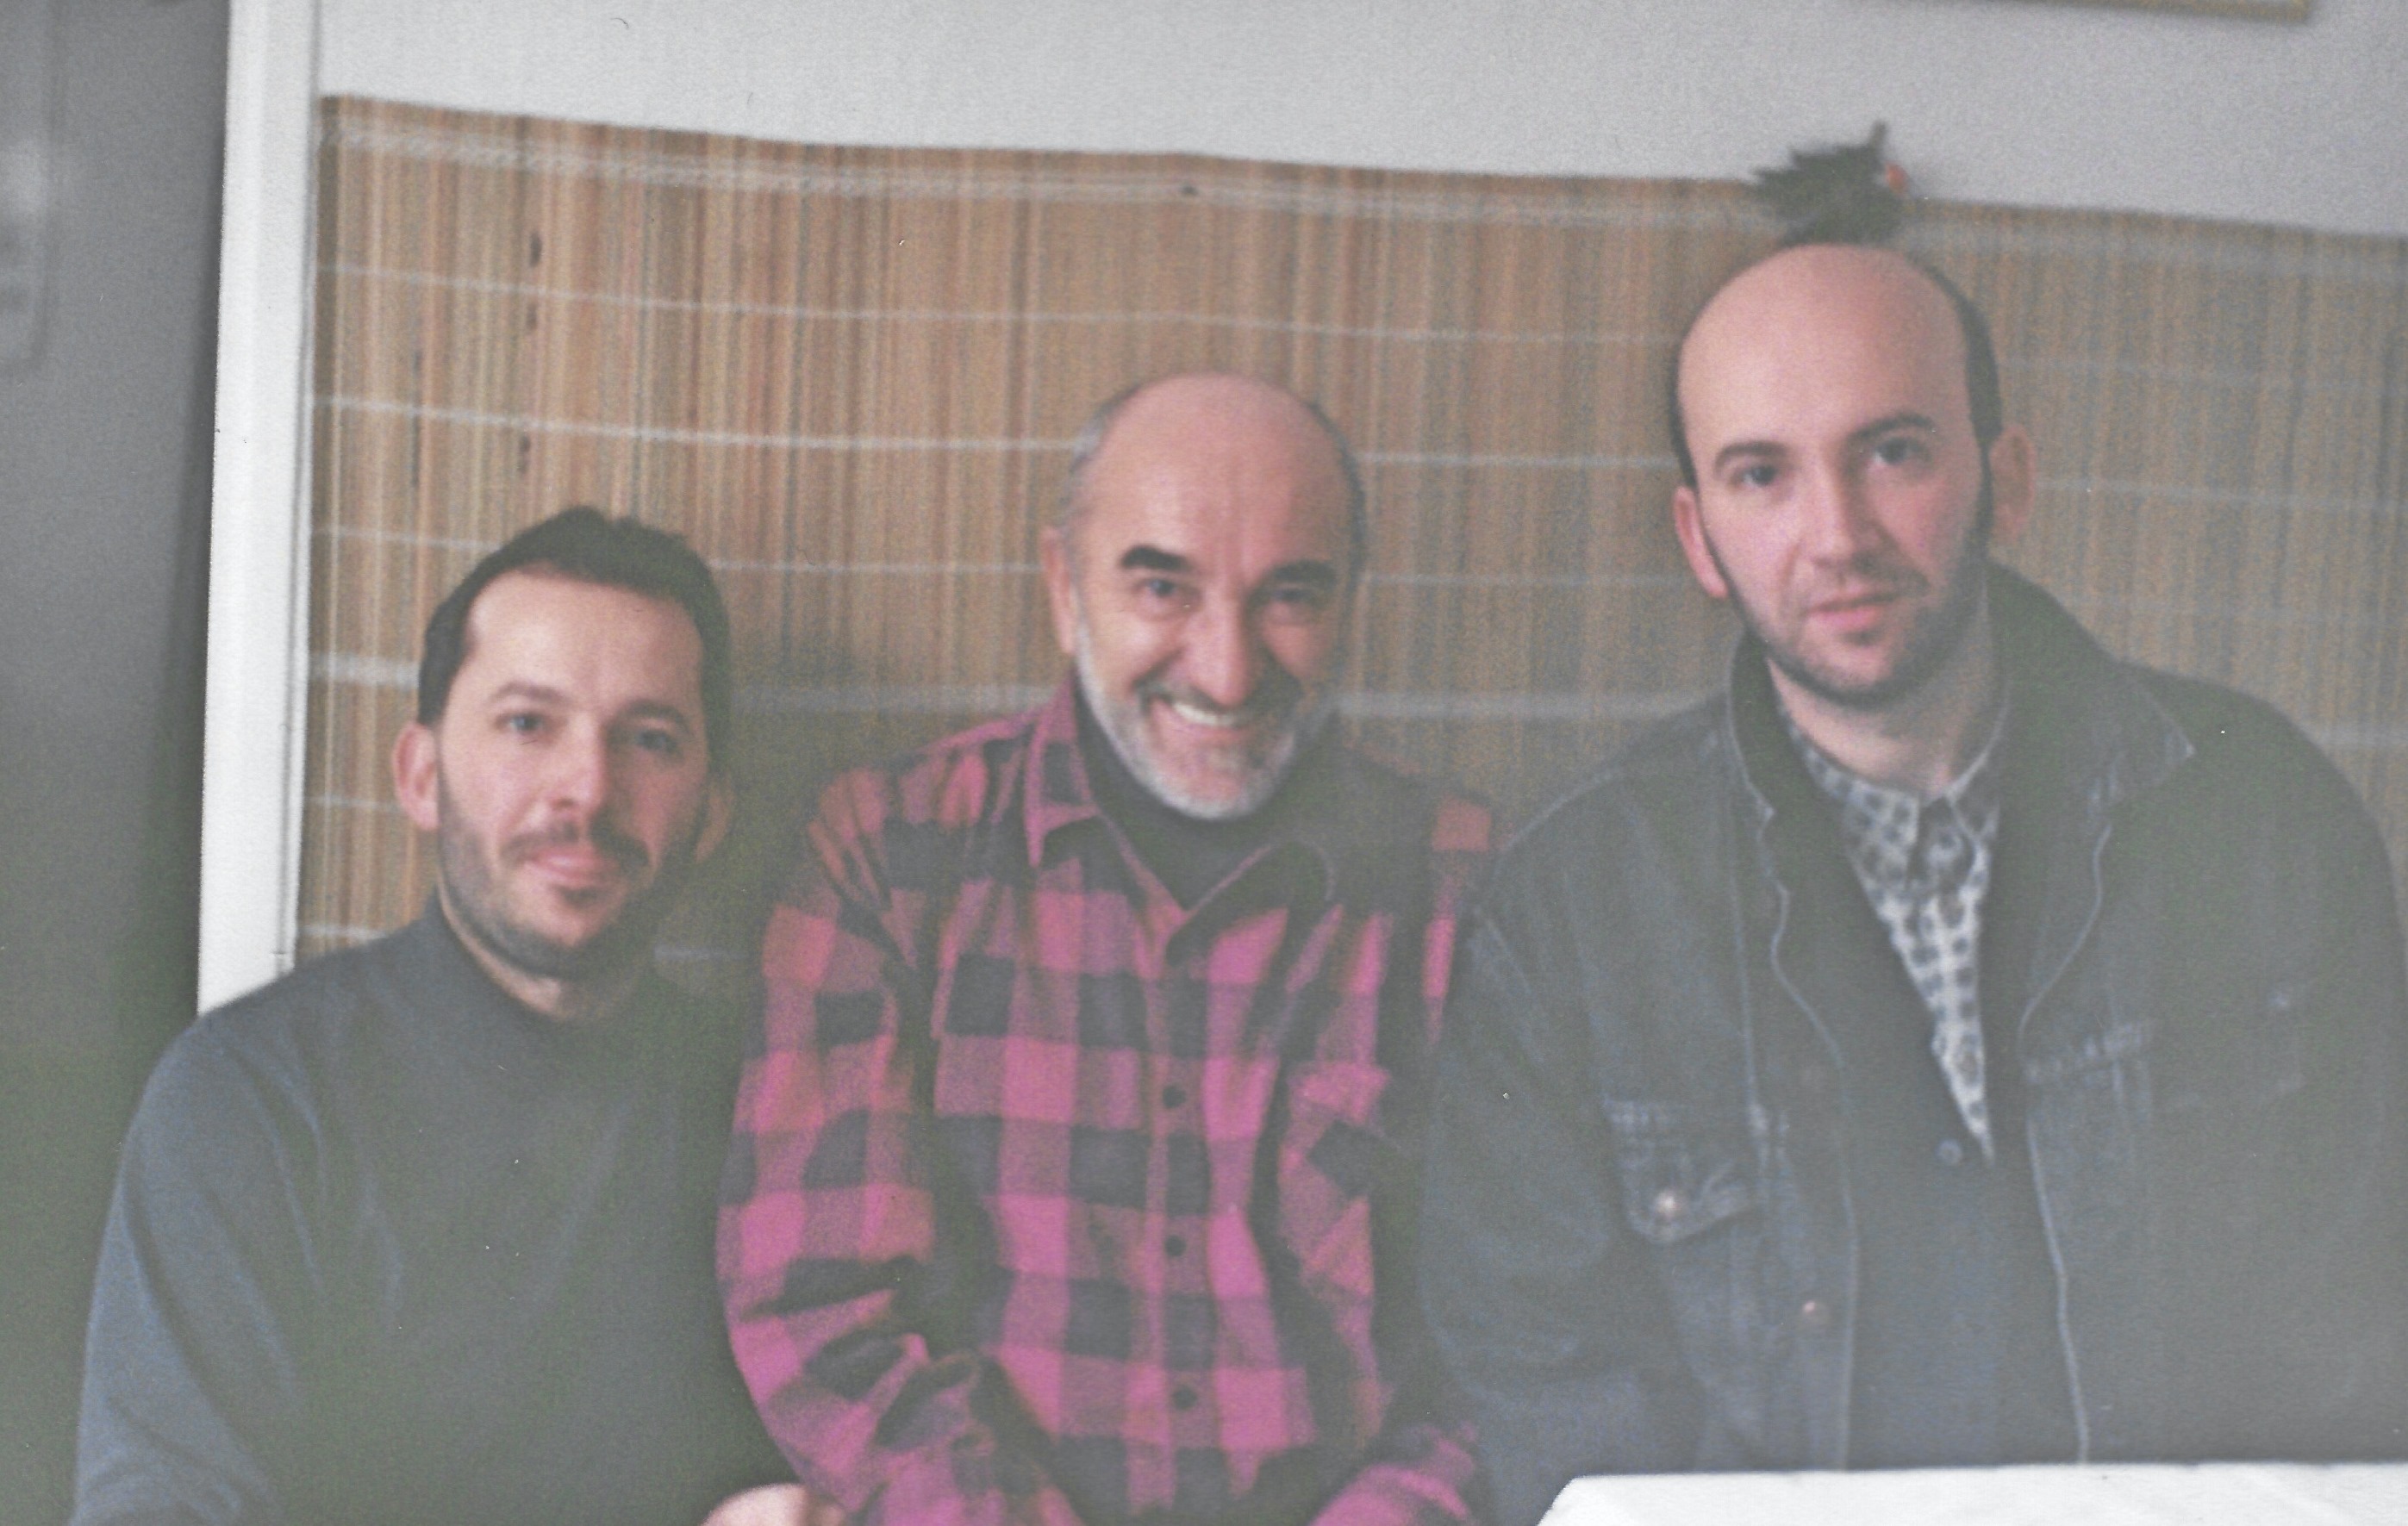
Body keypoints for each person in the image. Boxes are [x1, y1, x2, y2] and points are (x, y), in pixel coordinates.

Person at [1418, 240, 2408, 1525]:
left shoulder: (2261, 814)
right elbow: (1550, 1389)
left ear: (2007, 478)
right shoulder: (1569, 907)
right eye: (1761, 474)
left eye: (1892, 452)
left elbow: (2363, 1318)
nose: (1837, 535)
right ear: (1699, 538)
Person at [719, 373, 1494, 1526]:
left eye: (1289, 594)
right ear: (1063, 587)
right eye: (1162, 587)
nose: (1226, 669)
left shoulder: (1467, 887)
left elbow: (1514, 1347)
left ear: (1350, 603)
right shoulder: (892, 854)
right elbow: (821, 1312)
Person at [73, 509, 822, 1526]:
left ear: (712, 812)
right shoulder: (251, 1095)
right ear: (420, 776)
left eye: (649, 739)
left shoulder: (774, 1109)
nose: (588, 786)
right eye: (527, 723)